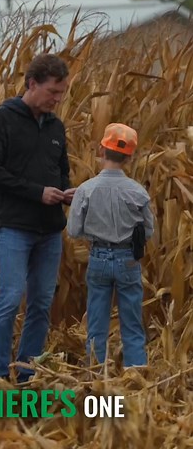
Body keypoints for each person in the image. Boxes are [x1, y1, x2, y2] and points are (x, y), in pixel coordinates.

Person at [0, 53, 76, 382]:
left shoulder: (55, 127)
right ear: (32, 84)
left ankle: (27, 374)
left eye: (61, 93)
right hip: (15, 227)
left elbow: (61, 171)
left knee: (41, 303)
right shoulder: (0, 119)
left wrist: (66, 192)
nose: (58, 99)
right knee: (9, 297)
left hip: (50, 230)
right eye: (53, 92)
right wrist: (37, 192)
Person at [67, 123, 154, 369]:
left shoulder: (86, 189)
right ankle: (136, 376)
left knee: (96, 323)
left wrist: (93, 232)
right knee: (132, 323)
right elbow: (149, 230)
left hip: (98, 258)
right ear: (129, 157)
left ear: (102, 150)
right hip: (128, 260)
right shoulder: (138, 192)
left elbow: (73, 230)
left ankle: (94, 374)